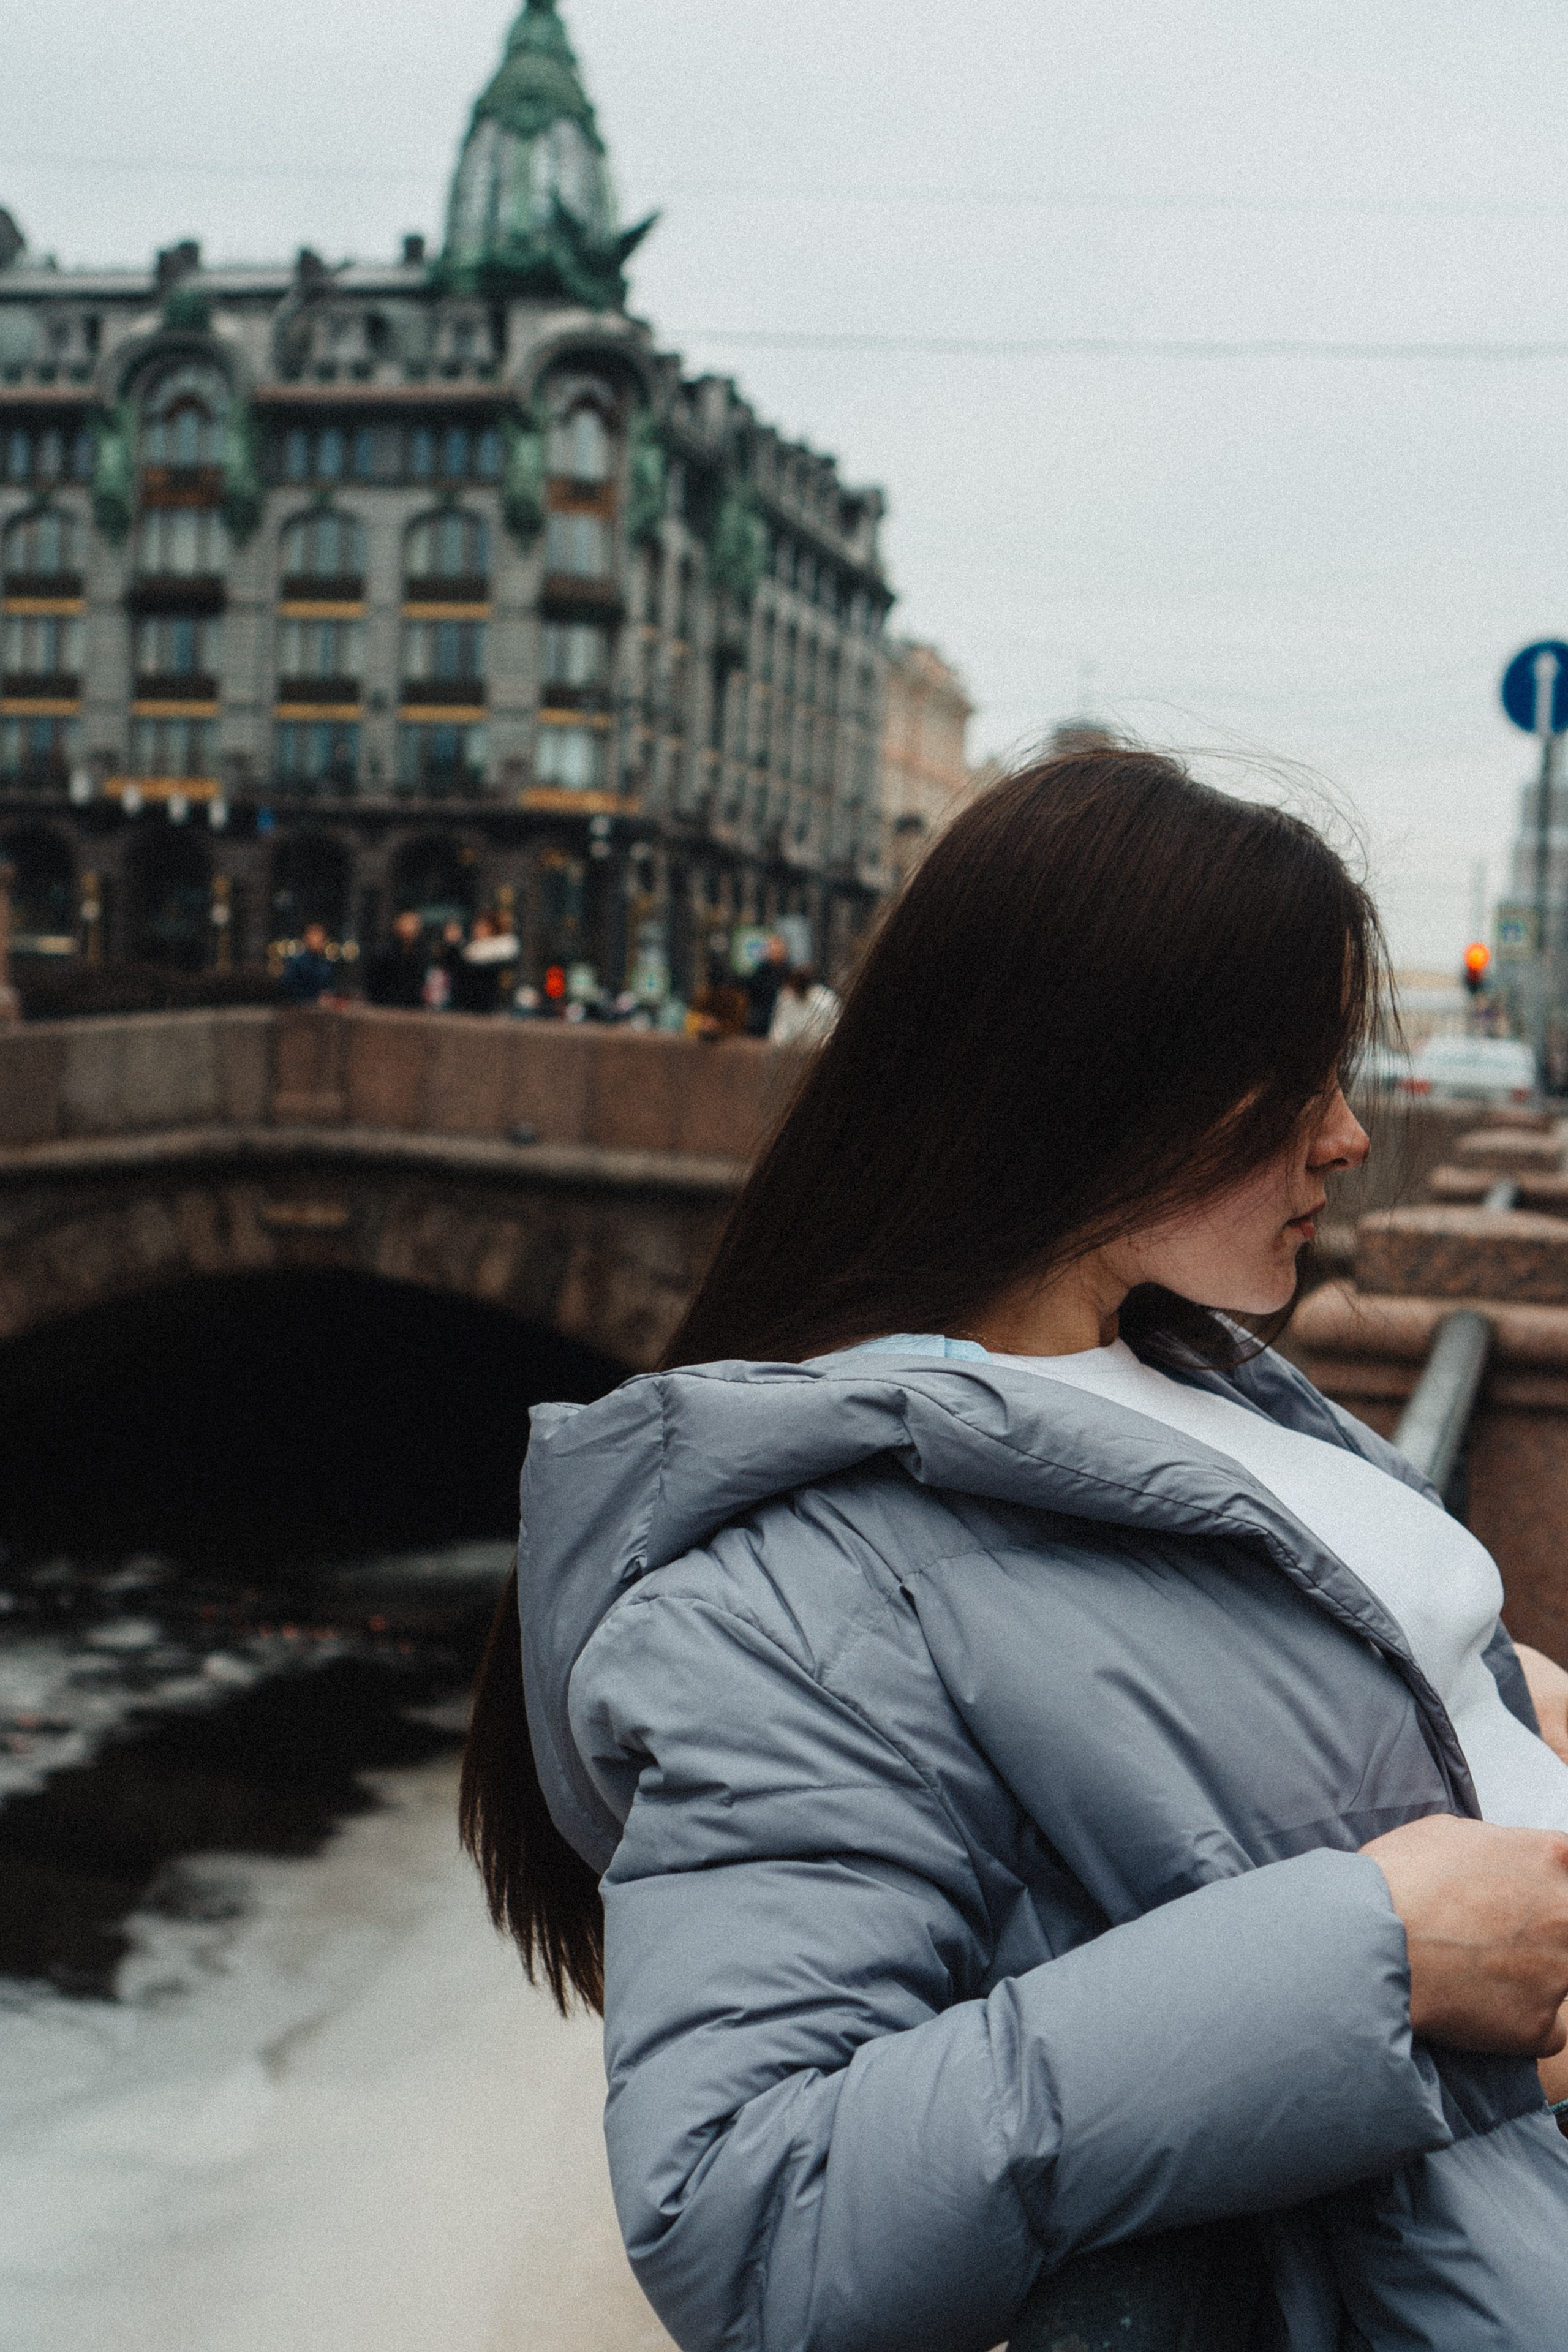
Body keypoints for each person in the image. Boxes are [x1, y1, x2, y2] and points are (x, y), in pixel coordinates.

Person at [462, 748, 1568, 2351]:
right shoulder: (790, 1585)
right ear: (1112, 1075)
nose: (1346, 1139)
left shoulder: (1193, 1368)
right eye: (1304, 1074)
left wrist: (1482, 1692)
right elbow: (749, 2210)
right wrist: (1380, 1963)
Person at [451, 910, 521, 1015]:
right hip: (467, 1008)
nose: (476, 929)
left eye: (482, 926)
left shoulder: (499, 952)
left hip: (489, 1009)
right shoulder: (470, 949)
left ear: (492, 929)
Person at [363, 908, 429, 1009]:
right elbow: (375, 984)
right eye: (406, 923)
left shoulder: (422, 954)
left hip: (412, 1011)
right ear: (398, 925)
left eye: (414, 924)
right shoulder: (384, 954)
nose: (410, 928)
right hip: (386, 1009)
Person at [767, 962, 840, 1047]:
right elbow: (778, 1034)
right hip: (791, 1052)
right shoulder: (786, 999)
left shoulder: (826, 999)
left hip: (820, 1051)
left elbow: (833, 1031)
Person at [278, 920, 336, 1005]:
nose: (318, 939)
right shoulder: (296, 963)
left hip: (320, 1011)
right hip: (298, 1010)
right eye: (314, 935)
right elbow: (290, 991)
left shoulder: (325, 965)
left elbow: (329, 988)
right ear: (306, 938)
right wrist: (314, 1000)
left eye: (321, 936)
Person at [744, 930, 790, 1036]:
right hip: (761, 1021)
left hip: (784, 1019)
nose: (774, 950)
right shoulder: (761, 971)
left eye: (777, 946)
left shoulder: (789, 972)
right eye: (771, 946)